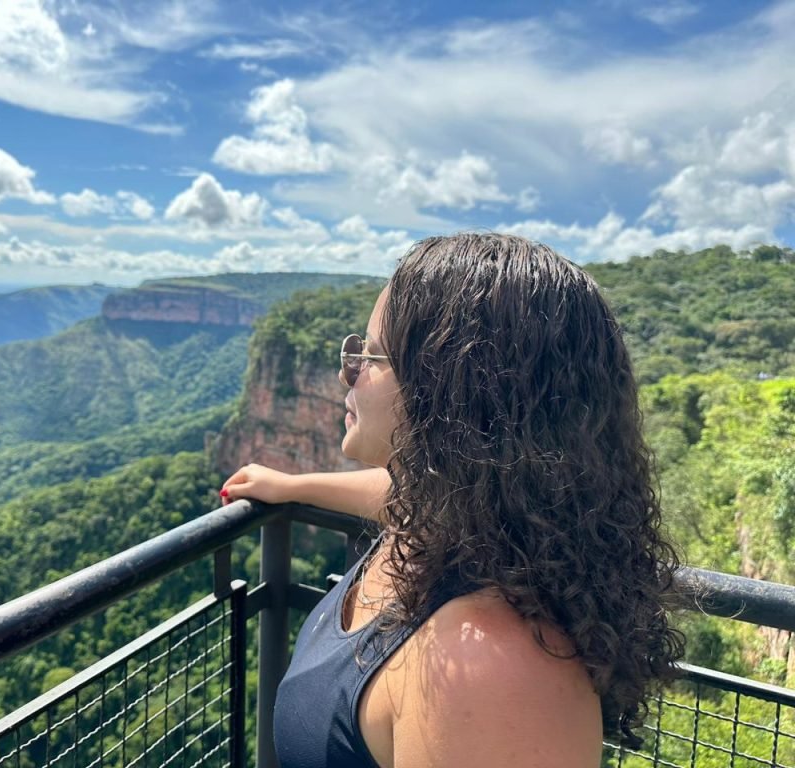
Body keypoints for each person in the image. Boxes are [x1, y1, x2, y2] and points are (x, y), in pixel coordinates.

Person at [220, 233, 684, 768]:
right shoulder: (459, 522)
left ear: (449, 392)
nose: (344, 373)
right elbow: (406, 493)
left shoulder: (487, 665)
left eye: (367, 356)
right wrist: (294, 486)